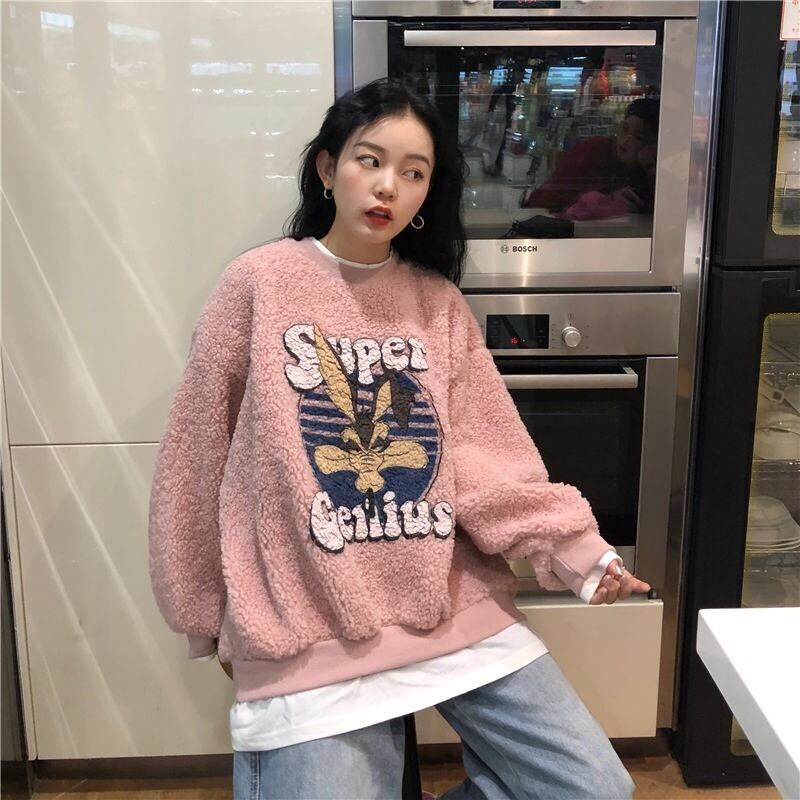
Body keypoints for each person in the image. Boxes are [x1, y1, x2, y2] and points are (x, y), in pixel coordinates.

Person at [148, 78, 649, 800]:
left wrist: (575, 551)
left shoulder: (434, 302)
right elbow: (197, 454)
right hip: (309, 628)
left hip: (448, 606)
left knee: (596, 790)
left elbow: (482, 453)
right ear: (328, 168)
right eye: (371, 160)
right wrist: (204, 613)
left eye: (414, 173)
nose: (389, 186)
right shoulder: (257, 285)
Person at [523, 97, 659, 216]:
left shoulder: (651, 168)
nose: (626, 140)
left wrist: (651, 167)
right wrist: (608, 201)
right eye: (624, 129)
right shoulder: (595, 150)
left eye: (638, 137)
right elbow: (549, 200)